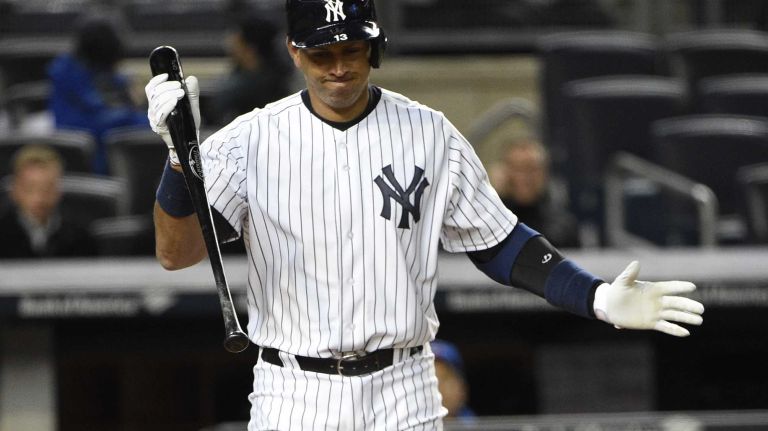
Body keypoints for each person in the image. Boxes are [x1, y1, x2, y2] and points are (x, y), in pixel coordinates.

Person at [145, 0, 705, 429]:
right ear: (295, 52)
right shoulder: (249, 140)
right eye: (322, 54)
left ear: (374, 47)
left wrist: (597, 297)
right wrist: (178, 160)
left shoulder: (429, 132)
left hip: (405, 385)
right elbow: (177, 253)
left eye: (351, 51)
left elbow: (500, 241)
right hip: (293, 389)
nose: (338, 68)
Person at [48, 16, 148, 175]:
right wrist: (146, 118)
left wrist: (126, 88)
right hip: (88, 163)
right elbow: (93, 122)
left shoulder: (89, 68)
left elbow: (112, 80)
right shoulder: (67, 74)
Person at [0, 145, 96, 258]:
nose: (39, 197)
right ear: (15, 190)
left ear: (59, 190)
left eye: (47, 188)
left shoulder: (80, 235)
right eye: (30, 188)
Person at [490, 136, 580, 248]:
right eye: (517, 168)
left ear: (544, 173)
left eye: (531, 168)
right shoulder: (488, 223)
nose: (524, 177)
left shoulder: (563, 227)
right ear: (504, 172)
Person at [210, 14, 294, 127]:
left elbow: (217, 106)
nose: (230, 43)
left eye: (237, 39)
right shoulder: (241, 72)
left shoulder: (260, 84)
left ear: (250, 48)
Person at [430, 339, 475, 420]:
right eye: (428, 381)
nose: (437, 388)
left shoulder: (478, 427)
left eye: (444, 378)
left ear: (461, 386)